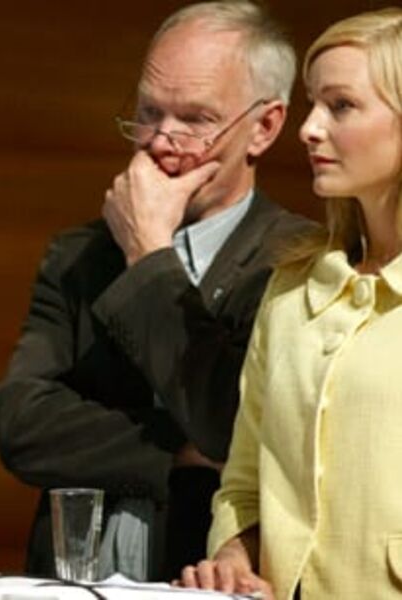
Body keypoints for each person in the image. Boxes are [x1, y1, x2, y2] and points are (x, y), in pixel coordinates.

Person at [0, 0, 308, 582]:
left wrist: (148, 254)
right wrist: (180, 451)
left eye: (196, 119)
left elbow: (227, 424)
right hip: (70, 576)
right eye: (149, 112)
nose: (162, 140)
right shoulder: (79, 252)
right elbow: (22, 424)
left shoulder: (297, 262)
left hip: (204, 574)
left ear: (264, 127)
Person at [179, 8, 402, 599]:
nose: (308, 127)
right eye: (312, 103)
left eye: (342, 105)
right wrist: (233, 552)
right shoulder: (293, 287)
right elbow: (245, 480)